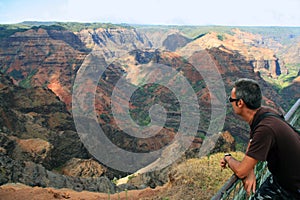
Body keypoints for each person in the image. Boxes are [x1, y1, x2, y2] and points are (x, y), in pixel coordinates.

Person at [220, 78, 300, 199]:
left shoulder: (265, 129)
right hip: (284, 178)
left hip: (292, 188)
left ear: (240, 103)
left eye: (231, 99)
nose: (230, 102)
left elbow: (241, 171)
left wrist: (228, 158)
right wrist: (250, 168)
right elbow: (253, 141)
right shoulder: (265, 113)